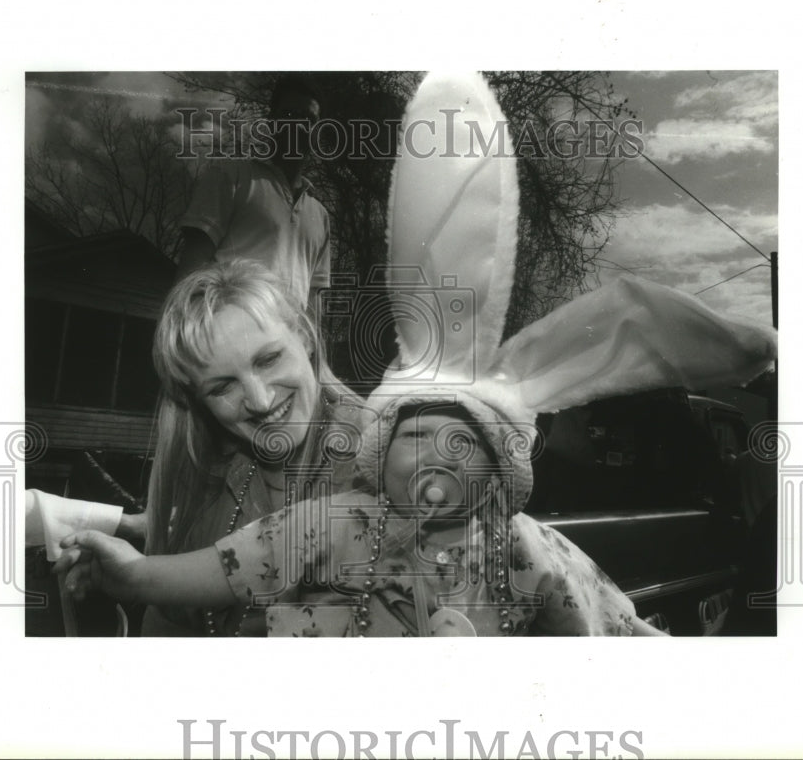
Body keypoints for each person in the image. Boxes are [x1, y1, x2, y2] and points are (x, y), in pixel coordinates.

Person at [55, 394, 664, 636]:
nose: (435, 455)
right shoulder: (335, 521)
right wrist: (133, 574)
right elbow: (226, 568)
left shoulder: (530, 548)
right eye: (416, 435)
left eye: (464, 442)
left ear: (498, 474)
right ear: (380, 456)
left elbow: (616, 629)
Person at [136, 258, 367, 636]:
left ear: (305, 337)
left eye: (269, 358)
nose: (260, 401)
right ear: (200, 402)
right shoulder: (208, 485)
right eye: (223, 387)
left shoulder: (385, 460)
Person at [175, 74, 331, 315]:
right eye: (289, 115)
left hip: (287, 347)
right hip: (227, 341)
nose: (299, 126)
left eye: (309, 119)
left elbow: (312, 302)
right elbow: (191, 273)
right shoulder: (230, 175)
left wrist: (314, 351)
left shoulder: (320, 216)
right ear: (271, 122)